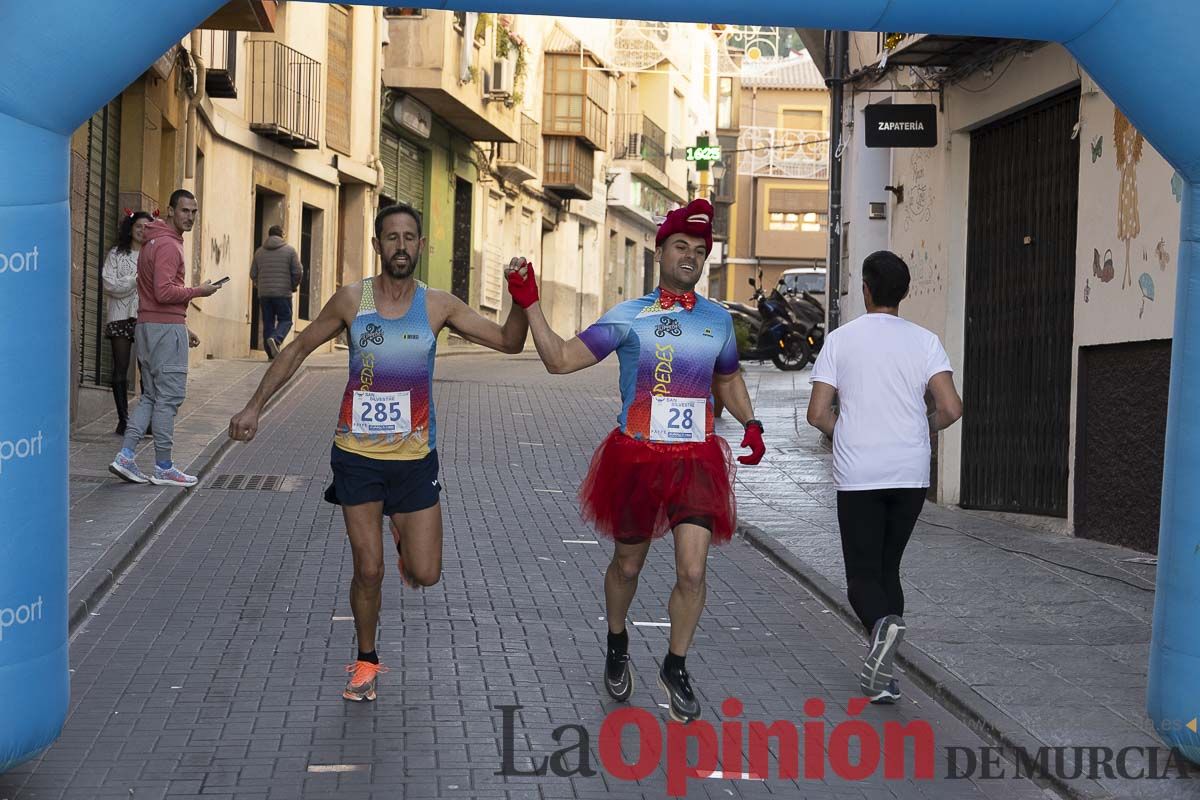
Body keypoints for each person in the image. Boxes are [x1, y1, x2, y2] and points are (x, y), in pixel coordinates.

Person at [227, 203, 528, 702]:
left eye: (411, 237)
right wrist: (254, 406)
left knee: (425, 574)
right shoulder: (351, 301)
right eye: (392, 237)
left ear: (421, 246)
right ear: (377, 244)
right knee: (369, 570)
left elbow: (508, 342)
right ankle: (367, 660)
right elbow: (298, 349)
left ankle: (401, 527)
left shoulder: (439, 307)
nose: (402, 246)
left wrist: (520, 299)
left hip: (414, 460)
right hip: (357, 456)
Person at [504, 198, 765, 724]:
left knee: (693, 570)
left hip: (695, 459)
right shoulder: (629, 317)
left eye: (698, 250)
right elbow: (558, 361)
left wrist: (752, 423)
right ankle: (617, 641)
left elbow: (728, 378)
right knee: (628, 563)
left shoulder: (717, 320)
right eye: (680, 247)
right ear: (660, 251)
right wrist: (530, 303)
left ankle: (675, 665)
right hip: (637, 458)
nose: (689, 257)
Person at [805, 250, 962, 705]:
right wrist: (921, 429)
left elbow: (817, 413)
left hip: (860, 472)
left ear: (866, 289)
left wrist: (847, 432)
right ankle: (883, 677)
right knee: (888, 567)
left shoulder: (841, 340)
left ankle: (881, 627)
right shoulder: (926, 341)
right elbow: (951, 407)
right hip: (910, 472)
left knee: (861, 575)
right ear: (905, 292)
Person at [108, 190, 221, 487]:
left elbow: (156, 297)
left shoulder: (151, 242)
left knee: (150, 396)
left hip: (148, 325)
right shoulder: (169, 245)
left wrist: (183, 327)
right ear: (170, 211)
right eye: (184, 211)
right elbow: (164, 292)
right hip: (162, 329)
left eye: (194, 211)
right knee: (168, 398)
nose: (190, 217)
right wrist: (200, 291)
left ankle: (126, 456)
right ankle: (163, 466)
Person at [103, 210, 154, 435]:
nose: (143, 231)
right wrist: (134, 280)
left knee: (147, 371)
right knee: (120, 370)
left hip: (145, 316)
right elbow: (109, 285)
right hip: (120, 316)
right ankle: (123, 419)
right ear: (131, 229)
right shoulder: (116, 254)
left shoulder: (153, 254)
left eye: (147, 227)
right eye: (139, 226)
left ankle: (147, 420)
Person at [251, 224, 303, 360]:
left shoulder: (259, 252)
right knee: (286, 320)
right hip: (282, 293)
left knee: (268, 322)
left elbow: (253, 273)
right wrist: (293, 285)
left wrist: (259, 284)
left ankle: (271, 355)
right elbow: (298, 271)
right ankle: (277, 338)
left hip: (264, 294)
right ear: (282, 235)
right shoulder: (290, 251)